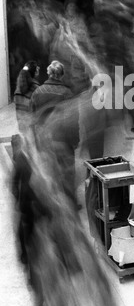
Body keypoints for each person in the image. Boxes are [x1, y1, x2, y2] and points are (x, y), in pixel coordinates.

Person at [30, 60, 80, 210]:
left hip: (45, 140)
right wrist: (75, 140)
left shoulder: (37, 92)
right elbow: (73, 120)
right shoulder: (67, 93)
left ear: (49, 73)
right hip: (63, 141)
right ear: (62, 75)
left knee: (49, 173)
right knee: (68, 174)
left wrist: (36, 142)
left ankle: (52, 207)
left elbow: (32, 120)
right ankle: (70, 205)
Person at [14, 60, 40, 135]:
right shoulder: (36, 88)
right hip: (33, 128)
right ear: (34, 73)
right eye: (37, 69)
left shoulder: (17, 90)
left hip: (22, 127)